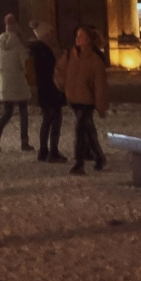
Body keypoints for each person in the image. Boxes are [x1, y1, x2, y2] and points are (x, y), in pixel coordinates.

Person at [55, 25, 111, 175]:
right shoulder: (70, 55)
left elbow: (100, 87)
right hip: (73, 99)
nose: (77, 38)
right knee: (88, 130)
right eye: (77, 35)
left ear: (88, 40)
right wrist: (63, 85)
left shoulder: (95, 61)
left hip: (87, 102)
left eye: (81, 36)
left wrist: (100, 106)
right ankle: (100, 158)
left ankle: (79, 164)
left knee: (80, 131)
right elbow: (59, 70)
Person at [0, 12, 35, 153]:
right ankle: (24, 141)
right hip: (19, 82)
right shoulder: (19, 45)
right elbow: (24, 64)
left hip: (6, 81)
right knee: (23, 111)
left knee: (7, 112)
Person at [30, 20, 65, 162]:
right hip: (51, 90)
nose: (52, 35)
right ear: (44, 34)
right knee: (55, 120)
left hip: (45, 90)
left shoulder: (40, 50)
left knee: (47, 120)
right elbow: (52, 71)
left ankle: (44, 150)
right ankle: (53, 151)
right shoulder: (44, 50)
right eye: (49, 32)